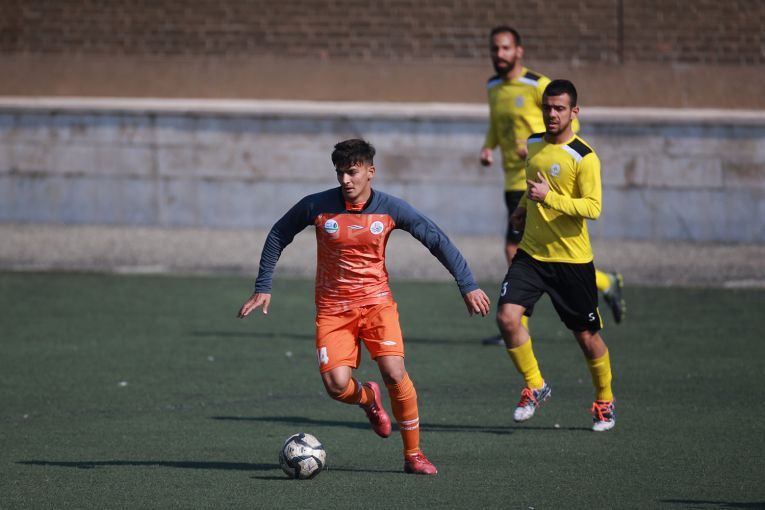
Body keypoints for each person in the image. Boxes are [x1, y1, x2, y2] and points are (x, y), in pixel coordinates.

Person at [237, 139, 491, 474]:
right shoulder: (316, 205)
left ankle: (413, 454)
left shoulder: (390, 208)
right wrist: (263, 286)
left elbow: (435, 238)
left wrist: (467, 284)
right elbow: (278, 234)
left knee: (394, 372)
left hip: (376, 304)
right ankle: (369, 399)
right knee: (336, 386)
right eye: (340, 173)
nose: (346, 180)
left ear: (371, 172)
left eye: (352, 172)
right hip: (333, 309)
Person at [479, 26, 624, 345]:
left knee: (513, 248)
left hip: (538, 180)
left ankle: (517, 324)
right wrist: (489, 146)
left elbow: (570, 124)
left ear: (519, 51)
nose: (499, 54)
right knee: (521, 247)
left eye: (505, 48)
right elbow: (497, 123)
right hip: (514, 177)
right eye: (495, 48)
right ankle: (604, 282)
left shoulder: (538, 85)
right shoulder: (493, 86)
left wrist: (547, 149)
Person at [496, 79, 616, 432]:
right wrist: (522, 207)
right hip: (532, 255)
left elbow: (593, 208)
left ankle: (605, 400)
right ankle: (535, 385)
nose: (552, 114)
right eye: (547, 107)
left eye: (559, 108)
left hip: (572, 262)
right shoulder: (534, 143)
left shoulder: (584, 156)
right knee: (507, 318)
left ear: (574, 112)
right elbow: (531, 185)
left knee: (587, 338)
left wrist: (549, 198)